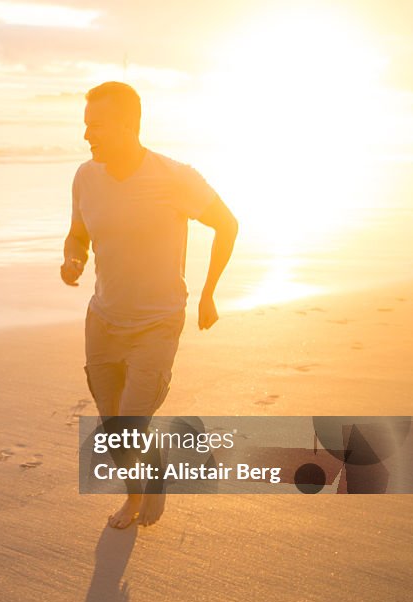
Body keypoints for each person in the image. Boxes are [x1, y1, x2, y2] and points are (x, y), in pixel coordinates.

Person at [62, 82, 238, 529]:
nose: (87, 136)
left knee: (129, 425)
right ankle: (134, 496)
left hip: (157, 322)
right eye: (86, 126)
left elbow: (227, 224)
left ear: (128, 125)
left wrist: (208, 292)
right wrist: (73, 257)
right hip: (103, 320)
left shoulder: (174, 177)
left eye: (96, 126)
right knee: (116, 433)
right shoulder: (85, 176)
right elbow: (78, 232)